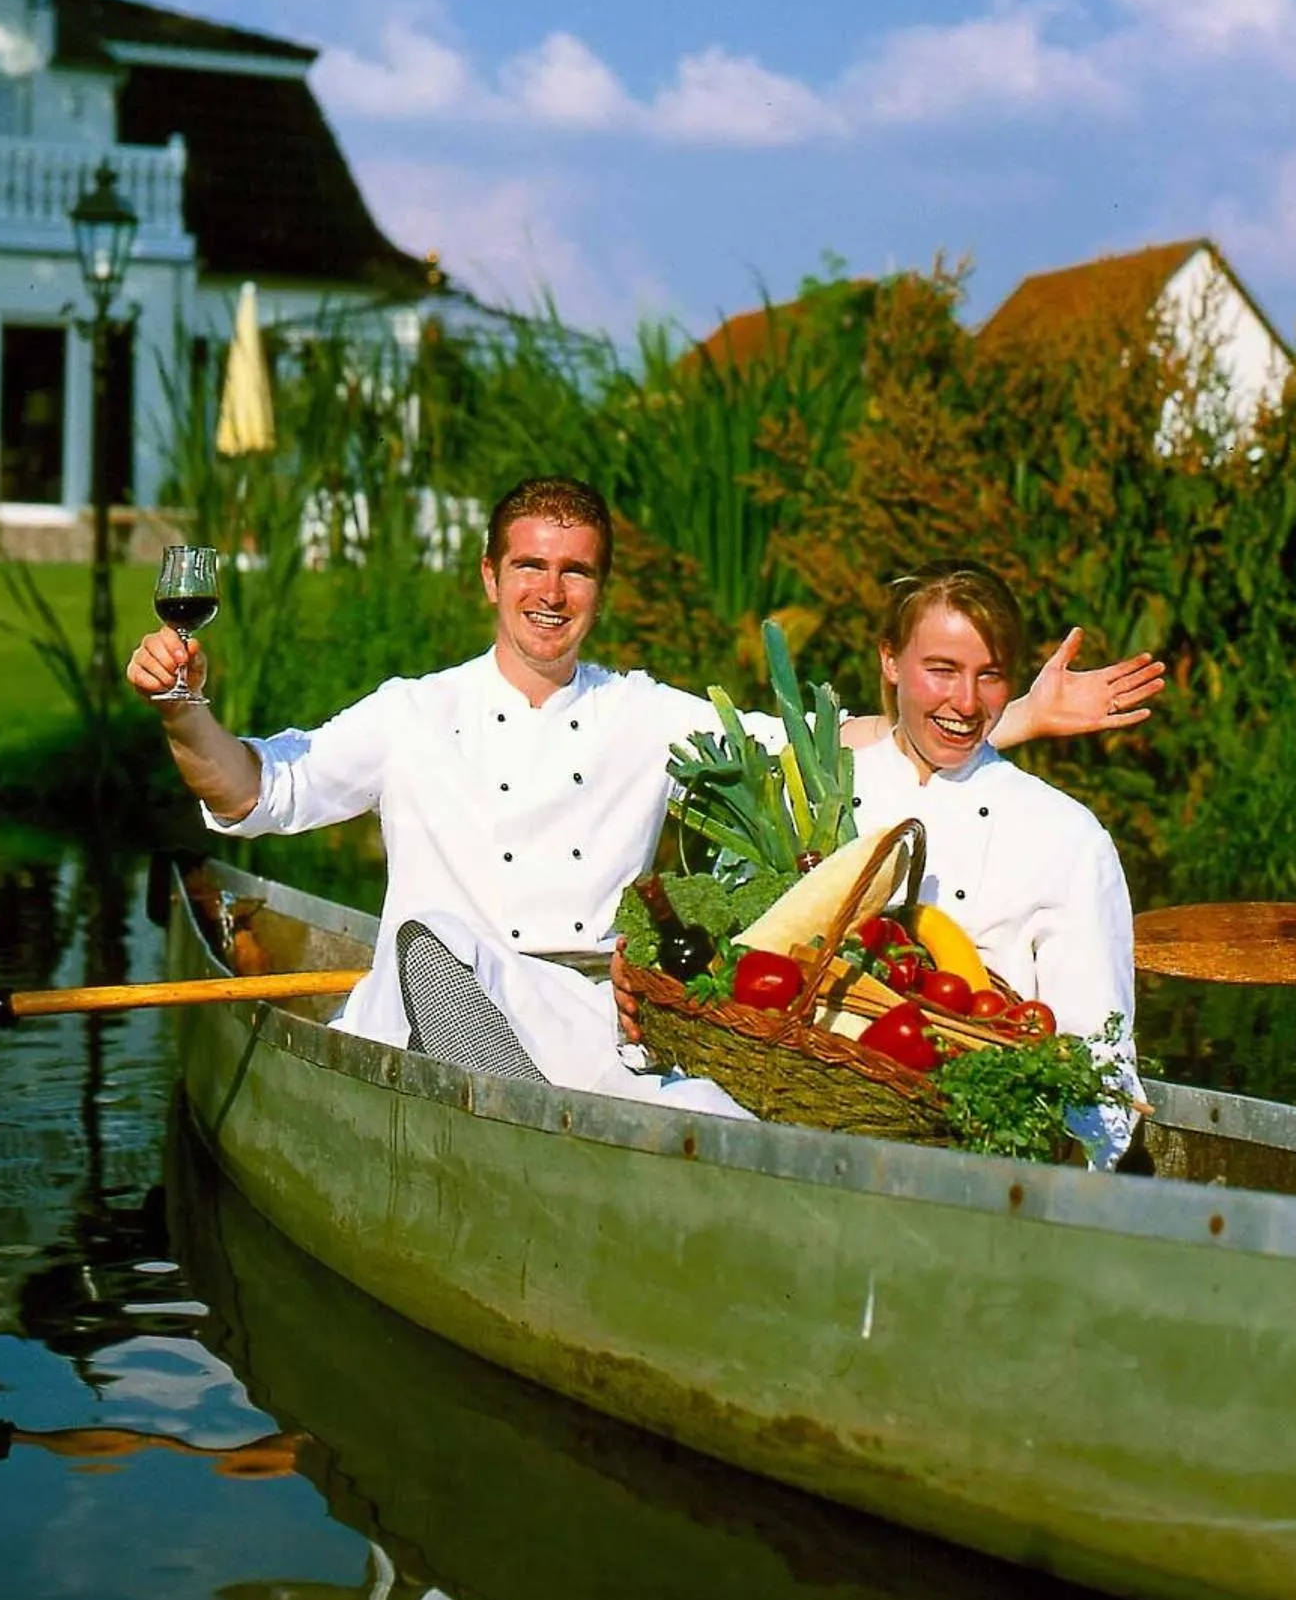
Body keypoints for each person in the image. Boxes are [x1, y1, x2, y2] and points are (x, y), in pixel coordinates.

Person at [127, 477, 1161, 1107]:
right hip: (433, 1010)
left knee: (731, 1109)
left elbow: (812, 746)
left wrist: (995, 714)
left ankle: (561, 1139)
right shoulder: (410, 712)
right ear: (488, 577)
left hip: (593, 1026)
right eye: (530, 565)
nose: (551, 590)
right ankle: (503, 1115)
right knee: (429, 938)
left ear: (599, 589)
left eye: (576, 570)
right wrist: (184, 712)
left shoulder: (642, 714)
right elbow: (259, 788)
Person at [848, 561, 1143, 1168]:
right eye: (941, 670)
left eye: (991, 676)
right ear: (889, 660)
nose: (966, 702)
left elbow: (1101, 1070)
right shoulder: (818, 792)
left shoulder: (1067, 838)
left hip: (985, 1164)